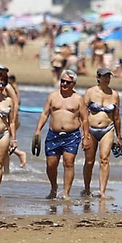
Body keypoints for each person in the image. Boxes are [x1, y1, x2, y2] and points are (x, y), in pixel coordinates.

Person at [32, 70, 87, 199]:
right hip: (54, 135)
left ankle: (66, 193)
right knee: (51, 165)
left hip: (71, 136)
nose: (64, 84)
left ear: (73, 84)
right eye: (62, 81)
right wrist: (38, 130)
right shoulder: (53, 96)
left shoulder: (78, 99)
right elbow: (44, 114)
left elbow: (84, 119)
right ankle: (53, 188)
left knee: (69, 163)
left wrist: (86, 136)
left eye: (67, 82)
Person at [80, 67, 122, 198]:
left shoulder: (114, 95)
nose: (107, 79)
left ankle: (102, 191)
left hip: (107, 129)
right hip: (91, 129)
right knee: (89, 161)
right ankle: (87, 188)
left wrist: (119, 136)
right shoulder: (90, 92)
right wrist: (84, 134)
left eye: (108, 76)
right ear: (98, 77)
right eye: (104, 76)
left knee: (104, 159)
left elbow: (116, 117)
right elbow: (83, 114)